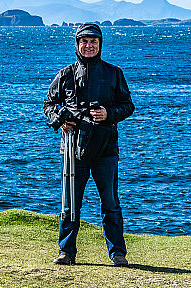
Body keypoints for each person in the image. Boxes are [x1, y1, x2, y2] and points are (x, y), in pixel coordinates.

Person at [43, 23, 135, 267]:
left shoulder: (114, 73)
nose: (89, 45)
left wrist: (109, 114)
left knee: (111, 203)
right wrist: (60, 121)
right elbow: (49, 104)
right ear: (77, 45)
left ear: (100, 44)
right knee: (70, 203)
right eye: (84, 41)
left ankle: (117, 253)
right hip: (73, 149)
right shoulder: (65, 74)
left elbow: (128, 105)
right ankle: (66, 252)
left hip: (106, 148)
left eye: (93, 41)